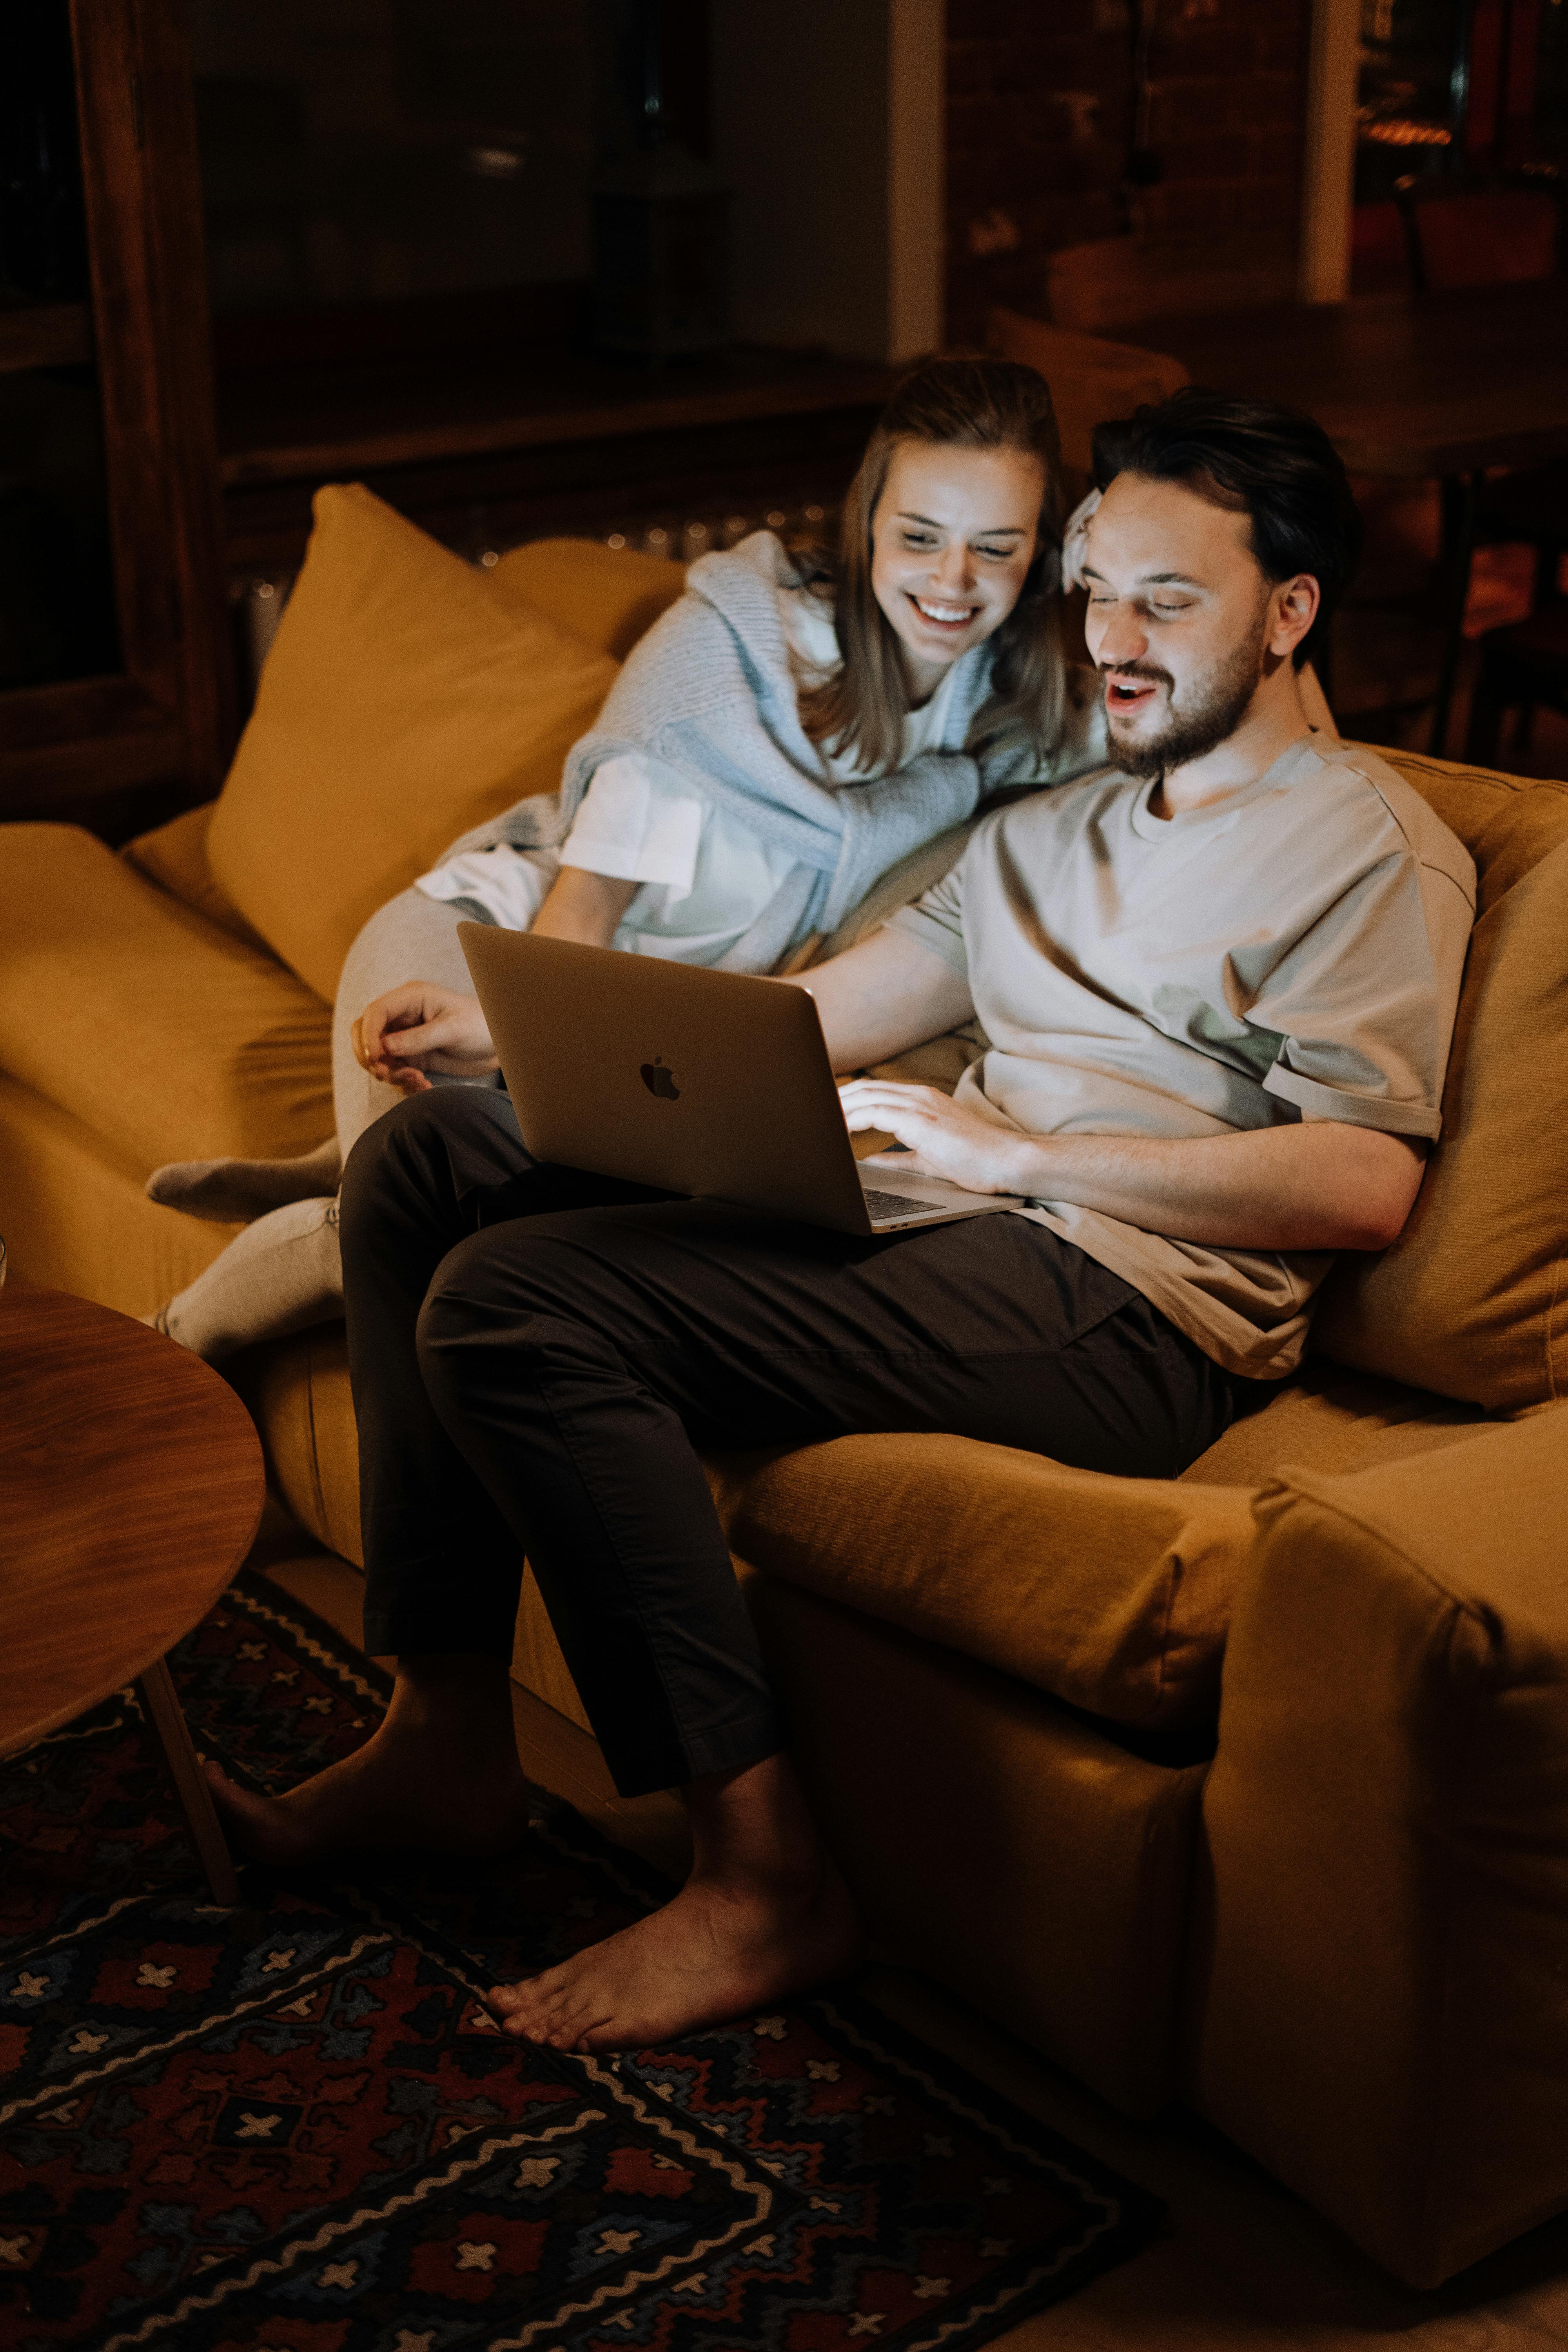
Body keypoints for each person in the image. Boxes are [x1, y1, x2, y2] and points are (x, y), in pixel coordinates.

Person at [205, 387, 1475, 2059]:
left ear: (1289, 611)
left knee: (519, 1305)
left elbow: (1361, 1180)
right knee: (430, 1165)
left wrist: (1021, 1158)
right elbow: (816, 1021)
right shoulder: (1050, 828)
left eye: (1168, 601)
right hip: (939, 1217)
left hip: (1127, 1307)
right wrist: (522, 1050)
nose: (1112, 639)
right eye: (1097, 593)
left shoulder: (1371, 852)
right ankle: (445, 1734)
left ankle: (765, 1880)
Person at [143, 354, 1107, 1361]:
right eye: (918, 537)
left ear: (1043, 556)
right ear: (866, 519)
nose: (952, 583)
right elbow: (585, 905)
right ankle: (159, 1349)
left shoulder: (1019, 716)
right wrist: (509, 1034)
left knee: (503, 1249)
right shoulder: (728, 648)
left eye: (994, 549)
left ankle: (337, 1169)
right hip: (494, 953)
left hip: (652, 1042)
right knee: (416, 1235)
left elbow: (1173, 739)